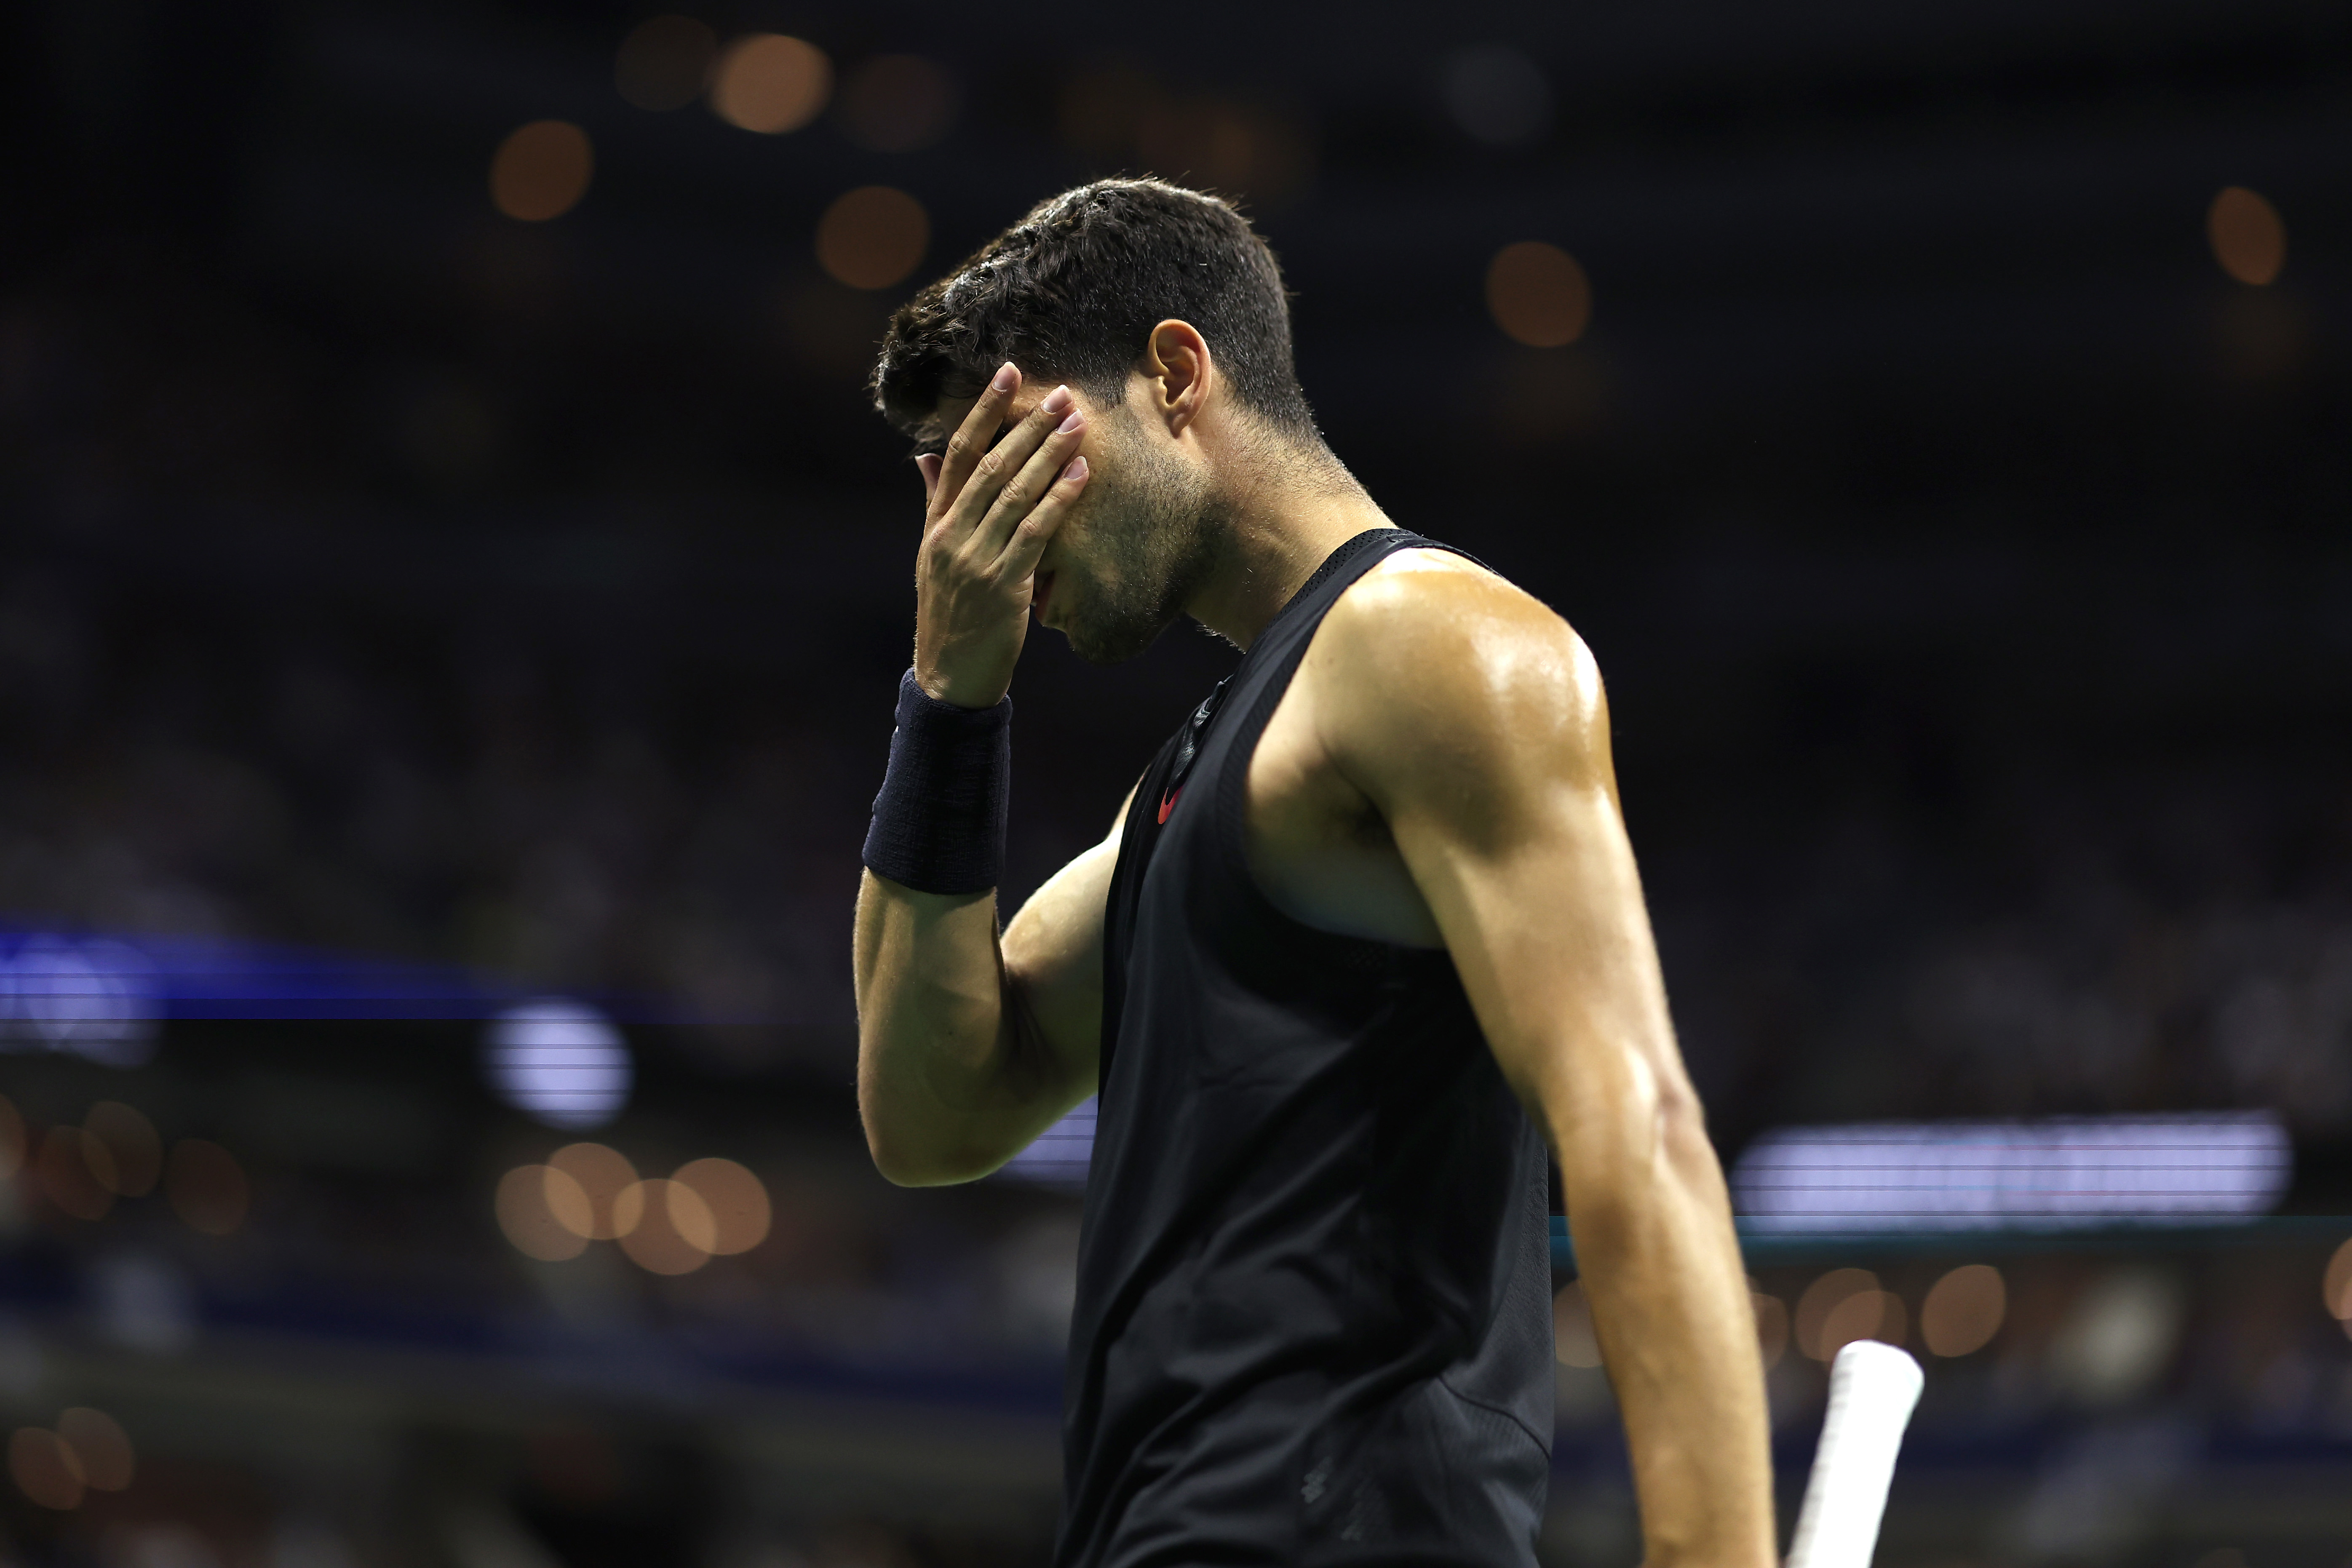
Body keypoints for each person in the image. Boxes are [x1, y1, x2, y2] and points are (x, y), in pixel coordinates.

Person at [851, 179, 1772, 1568]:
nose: (995, 540)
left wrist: (1717, 1552)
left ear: (1175, 375)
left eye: (1015, 457)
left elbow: (1636, 1129)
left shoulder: (1436, 644)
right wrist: (948, 696)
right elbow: (932, 1111)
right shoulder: (1201, 772)